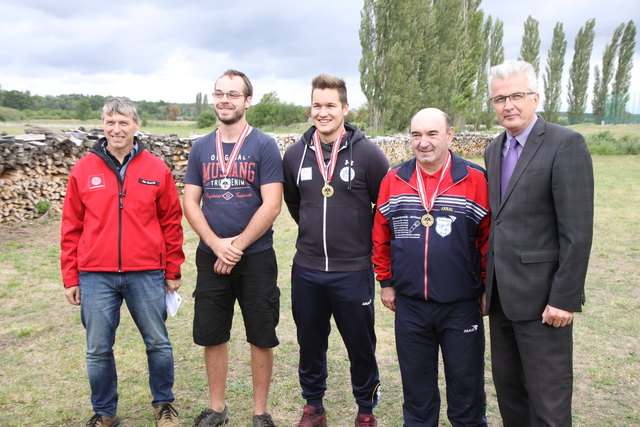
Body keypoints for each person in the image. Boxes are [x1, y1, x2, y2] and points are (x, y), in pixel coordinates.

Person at [60, 97, 184, 427]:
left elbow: (171, 221)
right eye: (111, 122)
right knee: (98, 350)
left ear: (136, 126)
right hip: (95, 275)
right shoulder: (84, 169)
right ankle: (105, 412)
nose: (117, 129)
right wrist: (70, 276)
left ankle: (164, 405)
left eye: (124, 122)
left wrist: (173, 269)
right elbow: (71, 225)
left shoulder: (156, 169)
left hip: (146, 273)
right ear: (103, 125)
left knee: (158, 343)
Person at [484, 60, 594, 426]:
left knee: (548, 403)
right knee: (511, 396)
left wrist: (564, 299)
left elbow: (576, 233)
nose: (508, 105)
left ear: (536, 97)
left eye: (517, 95)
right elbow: (499, 223)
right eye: (500, 98)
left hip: (544, 304)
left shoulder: (565, 144)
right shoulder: (493, 150)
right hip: (501, 301)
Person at [282, 74, 389, 427]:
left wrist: (357, 240)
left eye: (330, 105)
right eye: (317, 105)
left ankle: (366, 411)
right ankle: (314, 406)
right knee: (310, 343)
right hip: (308, 270)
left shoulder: (369, 153)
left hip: (353, 270)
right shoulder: (295, 155)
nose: (323, 112)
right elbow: (296, 206)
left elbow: (383, 207)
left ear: (345, 108)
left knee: (361, 346)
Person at [372, 108, 489, 426]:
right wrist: (386, 281)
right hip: (410, 306)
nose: (423, 143)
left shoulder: (475, 178)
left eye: (432, 134)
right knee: (418, 396)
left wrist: (486, 287)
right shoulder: (394, 179)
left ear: (450, 136)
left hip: (461, 305)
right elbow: (381, 233)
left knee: (466, 394)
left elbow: (488, 239)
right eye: (416, 135)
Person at [183, 69, 283, 427]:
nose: (225, 100)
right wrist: (215, 244)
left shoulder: (264, 145)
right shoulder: (200, 147)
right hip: (211, 256)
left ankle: (260, 412)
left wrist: (236, 246)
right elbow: (190, 203)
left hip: (255, 257)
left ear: (247, 100)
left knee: (261, 334)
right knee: (213, 333)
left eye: (233, 94)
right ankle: (218, 407)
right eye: (219, 93)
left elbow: (272, 204)